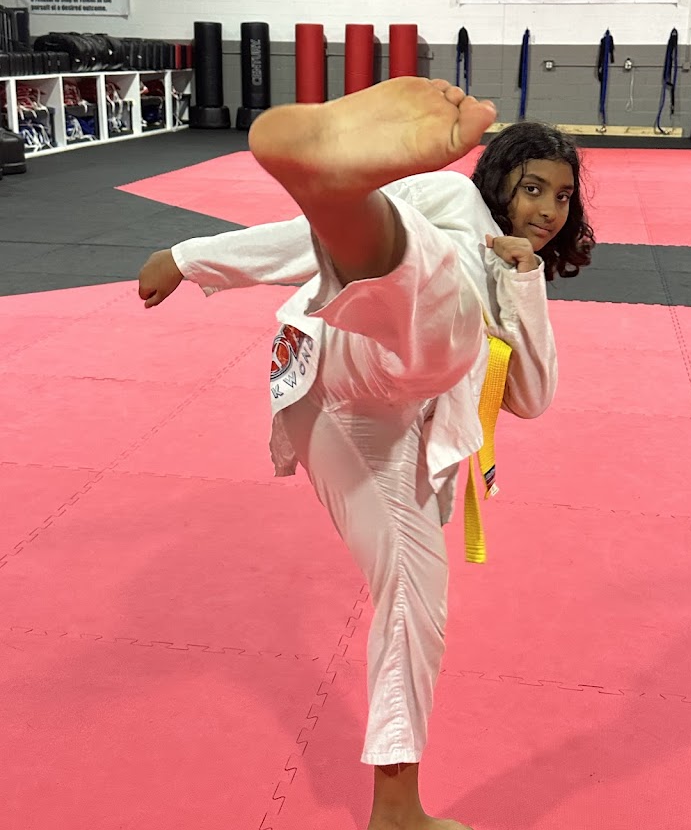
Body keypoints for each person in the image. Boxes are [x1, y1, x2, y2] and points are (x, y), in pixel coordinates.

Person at [138, 77, 593, 830]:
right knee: (443, 293)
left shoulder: (518, 269)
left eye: (562, 197)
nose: (548, 210)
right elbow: (306, 237)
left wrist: (522, 277)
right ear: (498, 178)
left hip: (389, 403)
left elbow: (533, 396)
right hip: (342, 366)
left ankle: (396, 809)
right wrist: (192, 258)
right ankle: (349, 195)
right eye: (533, 187)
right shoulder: (452, 198)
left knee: (419, 598)